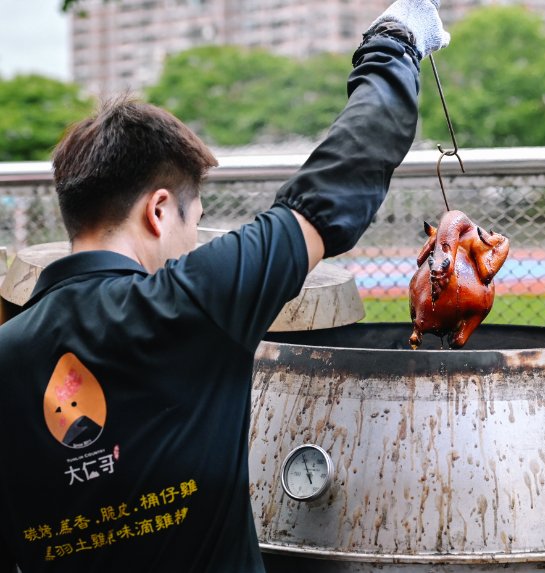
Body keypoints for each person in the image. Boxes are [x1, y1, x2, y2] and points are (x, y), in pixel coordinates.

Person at [0, 1, 448, 570]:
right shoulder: (193, 300)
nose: (192, 245)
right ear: (160, 212)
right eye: (194, 222)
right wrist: (394, 42)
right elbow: (341, 181)